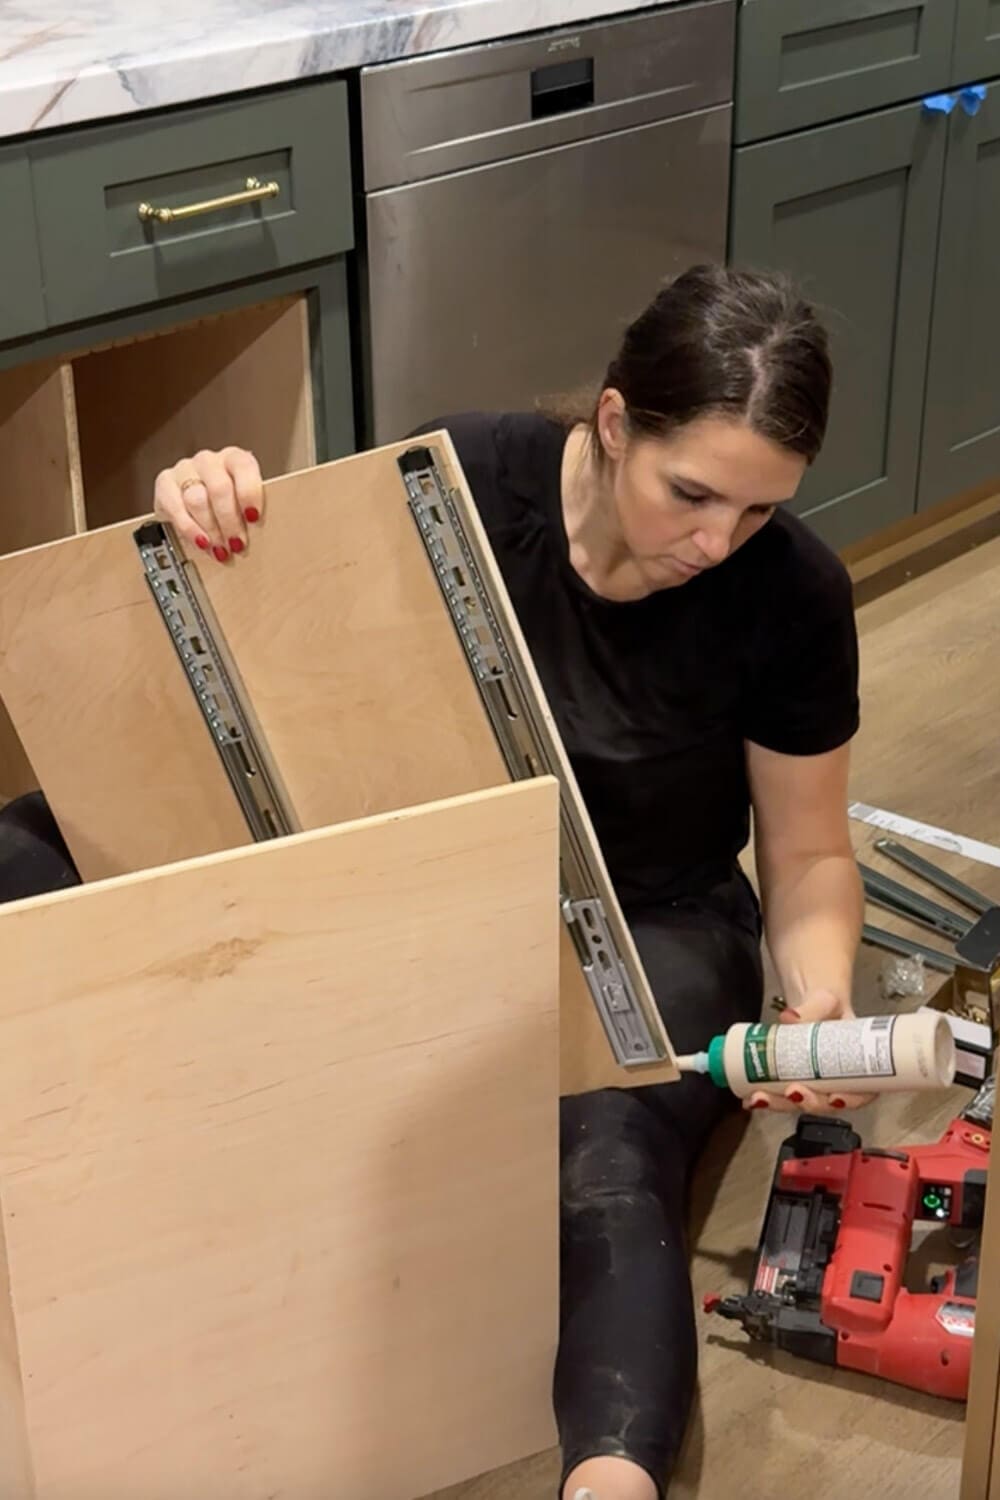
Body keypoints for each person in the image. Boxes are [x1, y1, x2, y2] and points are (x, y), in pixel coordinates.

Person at [150, 263, 867, 1500]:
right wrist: (202, 501)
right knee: (37, 845)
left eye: (756, 512)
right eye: (691, 493)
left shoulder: (792, 593)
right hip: (441, 880)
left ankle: (611, 1480)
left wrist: (819, 999)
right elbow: (278, 639)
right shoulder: (462, 481)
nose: (718, 542)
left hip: (651, 915)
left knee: (598, 1138)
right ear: (609, 421)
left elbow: (806, 853)